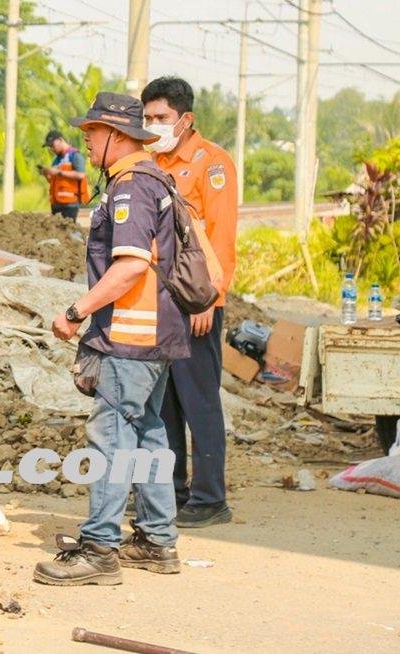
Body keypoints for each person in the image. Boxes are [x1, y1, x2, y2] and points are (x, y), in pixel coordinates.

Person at [34, 92, 190, 586]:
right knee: (146, 432)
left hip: (129, 336)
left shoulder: (131, 188)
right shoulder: (151, 179)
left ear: (116, 136)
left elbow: (128, 267)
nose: (86, 141)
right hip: (154, 335)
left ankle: (100, 547)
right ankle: (157, 540)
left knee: (111, 438)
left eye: (91, 135)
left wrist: (76, 312)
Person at [140, 77, 239, 529]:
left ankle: (210, 497)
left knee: (199, 402)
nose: (153, 125)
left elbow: (219, 237)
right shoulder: (150, 162)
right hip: (160, 301)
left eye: (161, 118)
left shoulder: (211, 164)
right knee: (166, 406)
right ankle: (174, 491)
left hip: (195, 303)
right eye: (148, 118)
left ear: (185, 119)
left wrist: (208, 300)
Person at [42, 129, 90, 220]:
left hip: (70, 204)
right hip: (56, 204)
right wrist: (46, 174)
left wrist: (59, 172)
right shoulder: (56, 161)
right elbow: (53, 181)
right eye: (50, 147)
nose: (52, 149)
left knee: (69, 231)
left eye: (52, 145)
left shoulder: (75, 155)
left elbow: (80, 175)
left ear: (60, 140)